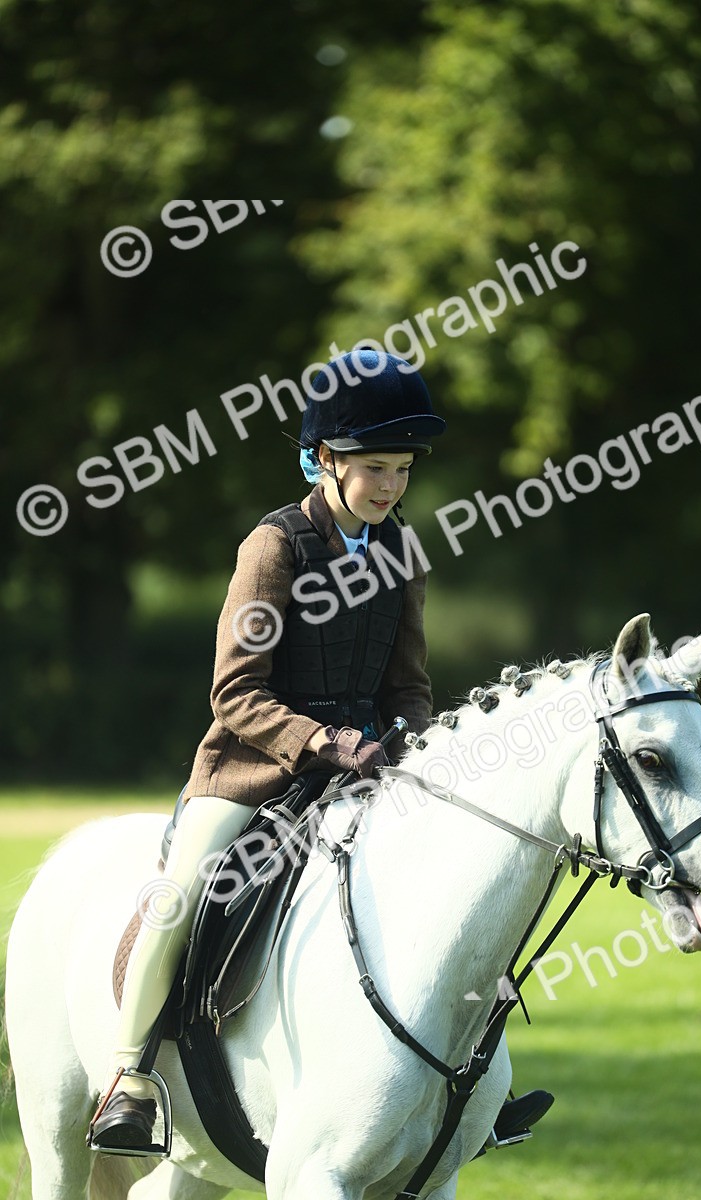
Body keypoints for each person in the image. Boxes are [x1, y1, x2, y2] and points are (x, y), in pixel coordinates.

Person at [90, 348, 549, 1152]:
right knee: (182, 892)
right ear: (324, 459)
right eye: (375, 468)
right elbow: (234, 693)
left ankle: (475, 1084)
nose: (392, 486)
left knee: (460, 883)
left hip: (367, 774)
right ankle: (130, 1077)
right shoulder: (274, 549)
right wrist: (324, 741)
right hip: (253, 771)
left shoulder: (403, 552)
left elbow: (407, 683)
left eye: (403, 469)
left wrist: (411, 740)